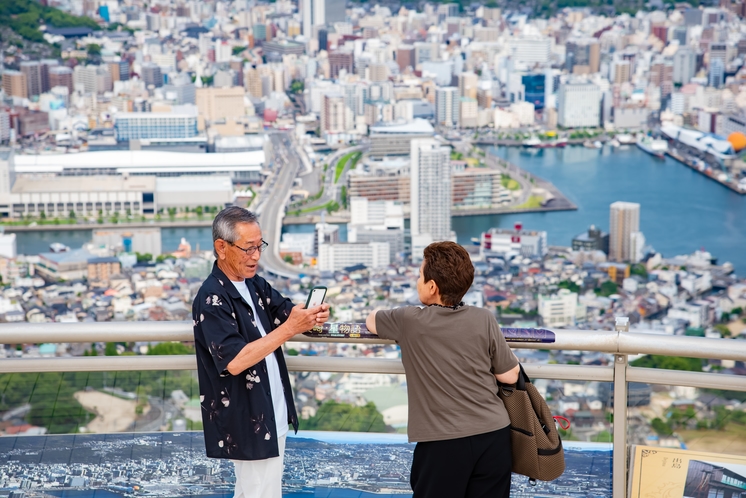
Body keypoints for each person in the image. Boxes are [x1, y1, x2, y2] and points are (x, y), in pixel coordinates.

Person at [193, 206, 330, 498]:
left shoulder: (253, 283)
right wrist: (289, 328)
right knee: (260, 493)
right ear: (221, 247)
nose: (256, 256)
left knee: (256, 492)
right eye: (248, 248)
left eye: (259, 246)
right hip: (246, 417)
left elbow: (285, 313)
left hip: (271, 411)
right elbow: (233, 360)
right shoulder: (212, 297)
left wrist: (309, 315)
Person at [366, 241, 520, 498]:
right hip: (494, 435)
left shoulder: (410, 320)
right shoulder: (484, 318)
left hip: (442, 441)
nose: (417, 280)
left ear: (432, 286)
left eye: (419, 275)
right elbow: (509, 375)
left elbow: (372, 320)